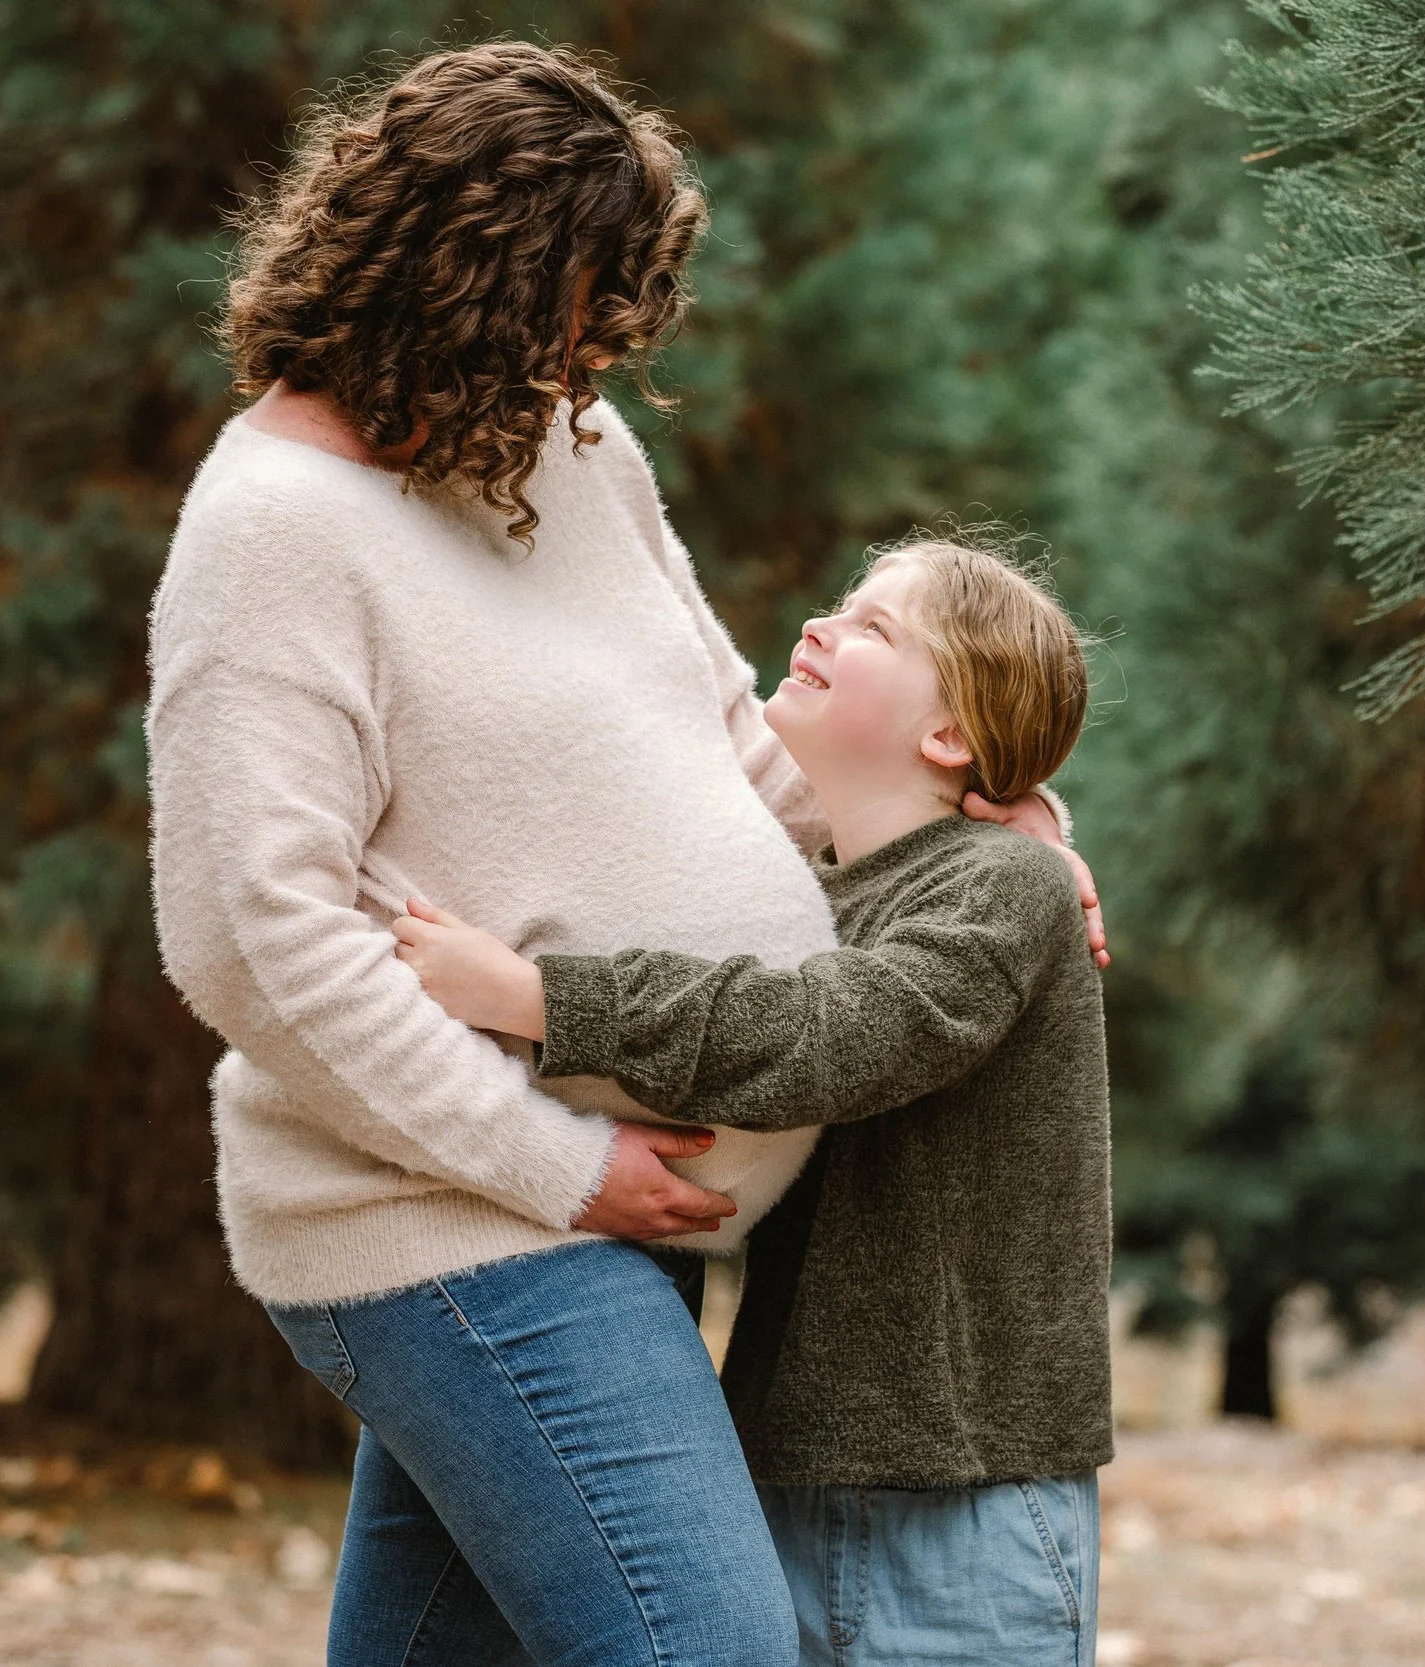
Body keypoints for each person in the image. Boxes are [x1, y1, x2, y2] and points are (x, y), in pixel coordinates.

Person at [145, 43, 1101, 1667]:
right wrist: (565, 1167)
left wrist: (962, 839)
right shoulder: (275, 537)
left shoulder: (563, 448)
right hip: (456, 1216)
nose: (598, 364)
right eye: (583, 314)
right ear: (472, 281)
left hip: (616, 1214)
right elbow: (254, 941)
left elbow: (719, 729)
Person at [395, 536, 1113, 1666]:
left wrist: (534, 996)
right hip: (781, 1473)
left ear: (949, 734)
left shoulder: (1004, 885)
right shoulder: (819, 893)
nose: (822, 624)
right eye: (838, 603)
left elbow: (824, 1034)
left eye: (876, 626)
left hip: (961, 1505)